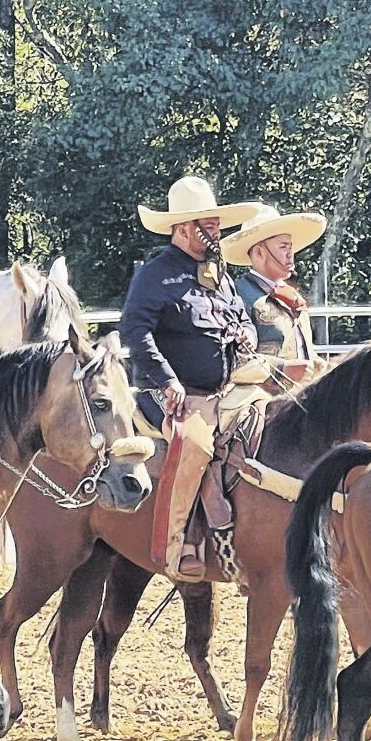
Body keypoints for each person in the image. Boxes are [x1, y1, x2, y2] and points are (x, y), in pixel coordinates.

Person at [119, 176, 260, 579]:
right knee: (195, 444)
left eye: (217, 224)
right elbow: (135, 330)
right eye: (209, 225)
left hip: (227, 390)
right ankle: (174, 545)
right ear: (184, 229)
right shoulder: (153, 275)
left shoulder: (221, 275)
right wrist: (167, 380)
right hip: (173, 394)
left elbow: (240, 317)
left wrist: (246, 334)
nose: (217, 232)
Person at [221, 203, 328, 383]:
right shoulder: (237, 296)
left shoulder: (293, 297)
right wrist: (282, 369)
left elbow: (303, 350)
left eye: (290, 247)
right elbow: (232, 359)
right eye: (283, 247)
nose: (290, 254)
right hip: (261, 401)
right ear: (260, 253)